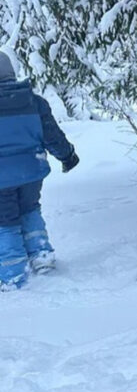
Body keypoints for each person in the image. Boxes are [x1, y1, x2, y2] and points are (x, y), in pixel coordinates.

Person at [0, 50, 78, 290]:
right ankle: (42, 256)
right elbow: (51, 134)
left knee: (5, 221)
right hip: (31, 171)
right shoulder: (34, 101)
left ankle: (13, 272)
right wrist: (67, 156)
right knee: (30, 209)